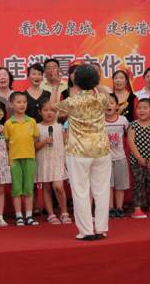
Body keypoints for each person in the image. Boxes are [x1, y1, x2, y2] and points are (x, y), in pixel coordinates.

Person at [51, 64, 111, 241]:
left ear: (76, 82)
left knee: (80, 191)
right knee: (102, 190)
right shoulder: (101, 98)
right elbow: (106, 93)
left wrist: (55, 86)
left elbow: (53, 107)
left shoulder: (72, 101)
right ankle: (101, 228)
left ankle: (86, 231)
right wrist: (96, 82)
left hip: (78, 151)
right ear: (95, 81)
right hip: (101, 150)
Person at [4, 92, 40, 226]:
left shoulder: (31, 121)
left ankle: (29, 215)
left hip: (29, 157)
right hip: (14, 159)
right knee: (16, 188)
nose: (22, 104)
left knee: (29, 187)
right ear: (12, 104)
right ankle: (19, 215)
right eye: (18, 102)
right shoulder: (8, 123)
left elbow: (35, 138)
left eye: (24, 102)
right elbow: (6, 143)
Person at [35, 98, 71, 225]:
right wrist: (44, 142)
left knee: (58, 187)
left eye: (52, 110)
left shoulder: (60, 127)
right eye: (45, 110)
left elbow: (66, 143)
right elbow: (35, 146)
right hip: (44, 160)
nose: (49, 113)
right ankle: (51, 214)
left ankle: (64, 212)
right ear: (40, 112)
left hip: (58, 159)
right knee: (46, 187)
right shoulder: (37, 127)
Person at [128, 99, 150, 219]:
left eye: (145, 108)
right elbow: (131, 142)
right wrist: (139, 157)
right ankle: (137, 209)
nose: (141, 110)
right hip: (137, 161)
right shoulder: (133, 125)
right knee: (138, 183)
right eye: (139, 108)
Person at [104, 93, 130, 218]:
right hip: (105, 159)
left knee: (120, 185)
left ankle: (119, 207)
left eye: (111, 103)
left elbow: (129, 136)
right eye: (105, 103)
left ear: (117, 106)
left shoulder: (123, 120)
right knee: (108, 185)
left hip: (120, 157)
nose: (108, 105)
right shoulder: (99, 121)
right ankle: (110, 208)